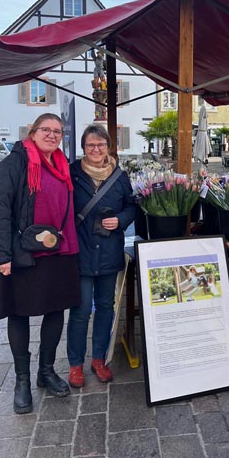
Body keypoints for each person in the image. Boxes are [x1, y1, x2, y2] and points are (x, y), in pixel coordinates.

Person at [0, 113, 80, 415]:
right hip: (22, 253)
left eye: (58, 131)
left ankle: (46, 371)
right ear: (33, 133)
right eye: (46, 130)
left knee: (55, 310)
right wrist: (0, 257)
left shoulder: (62, 165)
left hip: (57, 250)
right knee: (19, 312)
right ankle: (22, 380)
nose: (52, 135)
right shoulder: (16, 163)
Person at [67, 124, 135, 387]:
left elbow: (132, 206)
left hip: (108, 253)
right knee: (81, 310)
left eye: (101, 145)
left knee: (106, 307)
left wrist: (120, 220)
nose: (96, 150)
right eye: (90, 145)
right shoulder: (71, 174)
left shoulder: (120, 177)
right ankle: (75, 364)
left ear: (108, 147)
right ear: (84, 148)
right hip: (80, 253)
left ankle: (98, 358)